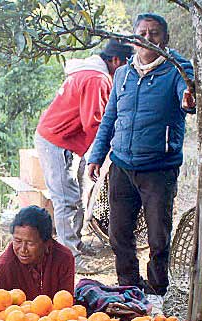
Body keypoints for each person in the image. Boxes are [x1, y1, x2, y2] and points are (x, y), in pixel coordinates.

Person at [85, 13, 195, 312]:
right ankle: (129, 288)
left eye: (154, 33)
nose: (147, 39)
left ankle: (159, 290)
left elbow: (189, 99)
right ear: (133, 39)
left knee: (159, 235)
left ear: (165, 39)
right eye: (142, 33)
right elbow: (110, 118)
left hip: (159, 167)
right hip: (121, 164)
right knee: (119, 232)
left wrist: (189, 99)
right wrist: (97, 155)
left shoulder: (176, 70)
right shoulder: (122, 74)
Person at [35, 39, 134, 274]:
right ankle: (69, 255)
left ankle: (74, 245)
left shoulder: (92, 73)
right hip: (57, 142)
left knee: (77, 196)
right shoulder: (96, 79)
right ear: (117, 61)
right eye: (128, 63)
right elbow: (95, 123)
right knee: (66, 199)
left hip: (67, 140)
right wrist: (109, 150)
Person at [0, 206, 76, 300]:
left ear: (47, 243)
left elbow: (66, 301)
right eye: (18, 241)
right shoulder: (3, 267)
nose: (23, 249)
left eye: (30, 243)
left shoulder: (64, 258)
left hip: (56, 315)